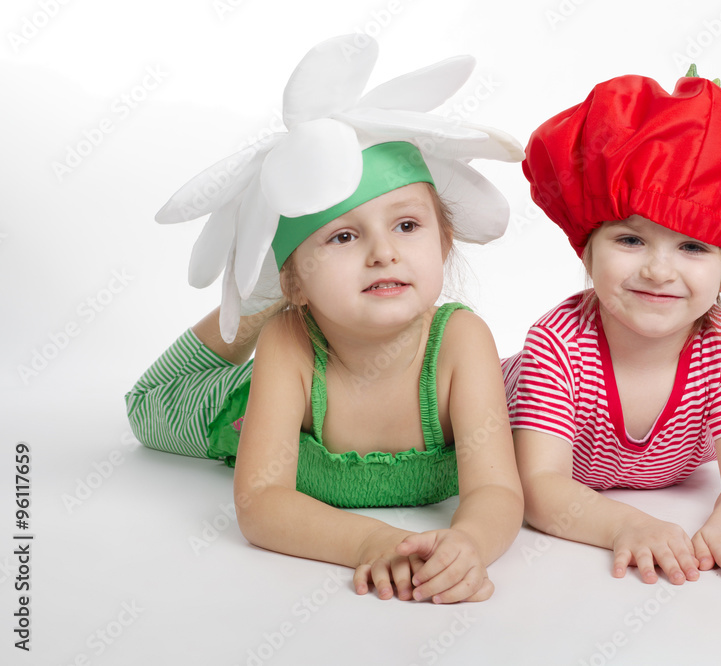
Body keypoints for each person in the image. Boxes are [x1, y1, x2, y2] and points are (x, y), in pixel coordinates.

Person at [125, 36, 524, 604]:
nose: (383, 253)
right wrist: (374, 543)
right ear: (297, 282)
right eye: (343, 236)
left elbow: (496, 489)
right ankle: (258, 299)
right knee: (146, 406)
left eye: (407, 226)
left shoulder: (461, 340)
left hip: (304, 307)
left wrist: (469, 544)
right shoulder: (290, 342)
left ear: (445, 241)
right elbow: (261, 504)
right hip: (237, 409)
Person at [502, 70, 721, 585]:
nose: (658, 270)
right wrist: (627, 525)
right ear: (586, 247)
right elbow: (538, 485)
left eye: (693, 247)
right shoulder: (556, 343)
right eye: (630, 240)